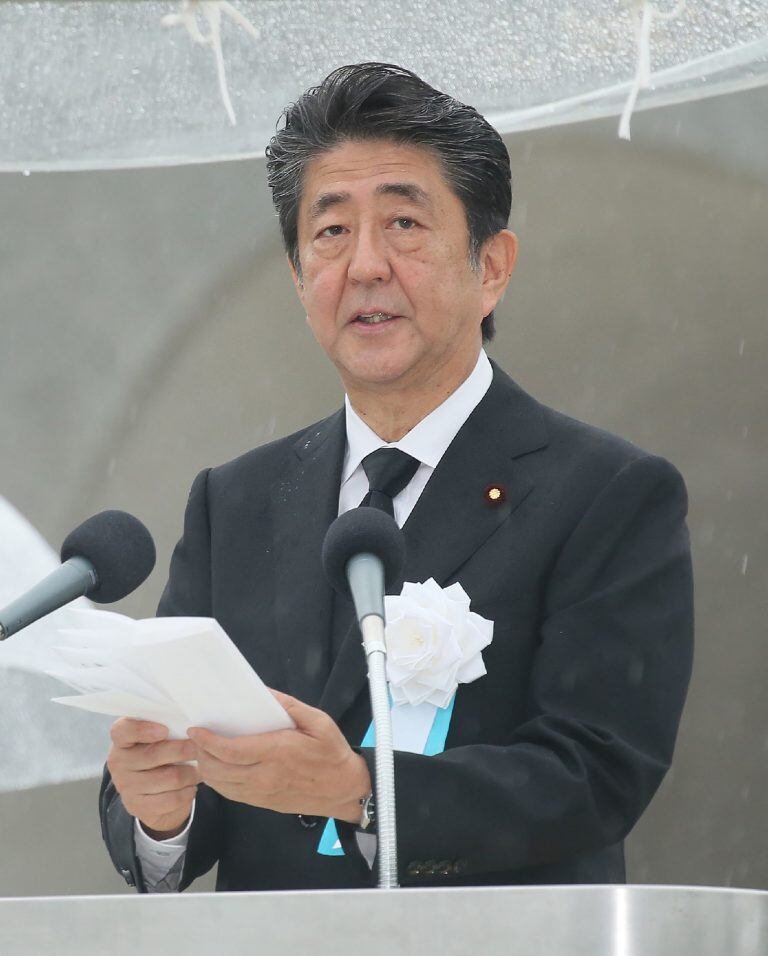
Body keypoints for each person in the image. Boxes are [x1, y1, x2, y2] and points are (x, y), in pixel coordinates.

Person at [99, 62, 693, 893]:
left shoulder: (607, 492)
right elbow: (174, 807)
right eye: (331, 232)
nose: (365, 265)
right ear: (301, 278)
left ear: (491, 267)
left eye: (405, 223)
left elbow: (595, 776)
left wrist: (361, 791)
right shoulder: (233, 502)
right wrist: (161, 809)